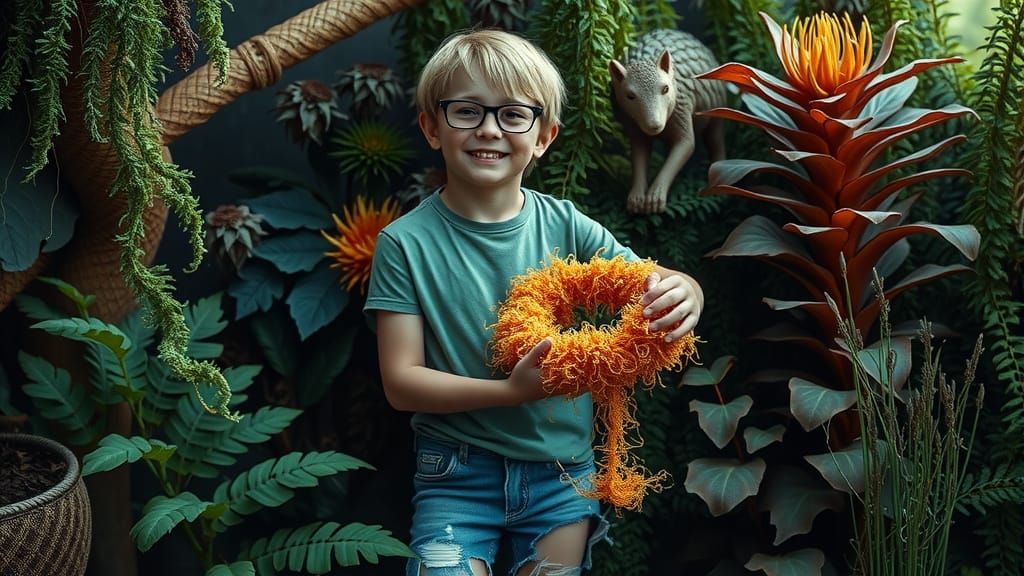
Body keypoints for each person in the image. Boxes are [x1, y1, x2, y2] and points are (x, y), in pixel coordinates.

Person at [365, 28, 704, 576]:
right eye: (466, 111)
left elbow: (651, 280)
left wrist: (689, 290)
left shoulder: (566, 225)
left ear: (544, 135)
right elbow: (401, 382)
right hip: (456, 471)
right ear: (432, 126)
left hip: (560, 474)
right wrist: (509, 392)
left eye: (513, 115)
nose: (490, 129)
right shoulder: (405, 243)